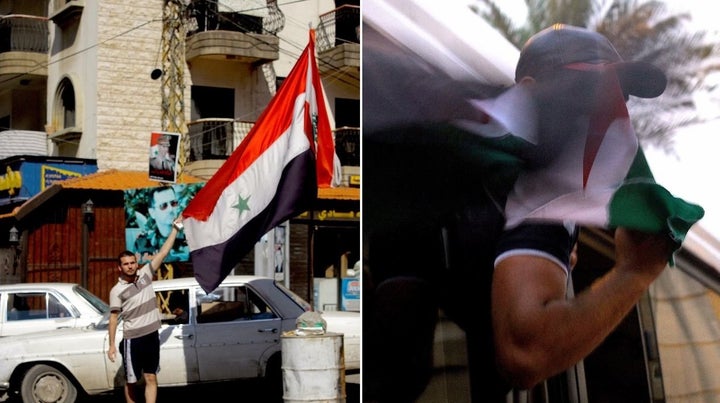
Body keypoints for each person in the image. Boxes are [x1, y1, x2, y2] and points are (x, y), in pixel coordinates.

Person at [363, 24, 698, 402]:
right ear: (526, 89)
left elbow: (401, 352)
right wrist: (634, 272)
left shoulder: (435, 162)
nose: (608, 111)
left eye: (616, 96)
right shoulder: (536, 181)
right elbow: (525, 354)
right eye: (583, 91)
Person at [107, 216, 184, 403]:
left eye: (132, 262)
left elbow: (164, 252)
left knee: (151, 377)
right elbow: (113, 319)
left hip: (151, 336)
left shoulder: (146, 274)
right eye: (126, 264)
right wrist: (111, 345)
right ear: (120, 267)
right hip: (132, 340)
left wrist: (175, 228)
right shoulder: (116, 291)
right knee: (131, 381)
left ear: (136, 262)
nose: (130, 266)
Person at [134, 186, 189, 262]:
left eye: (173, 203)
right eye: (163, 206)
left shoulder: (189, 237)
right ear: (152, 212)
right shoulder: (142, 243)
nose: (170, 209)